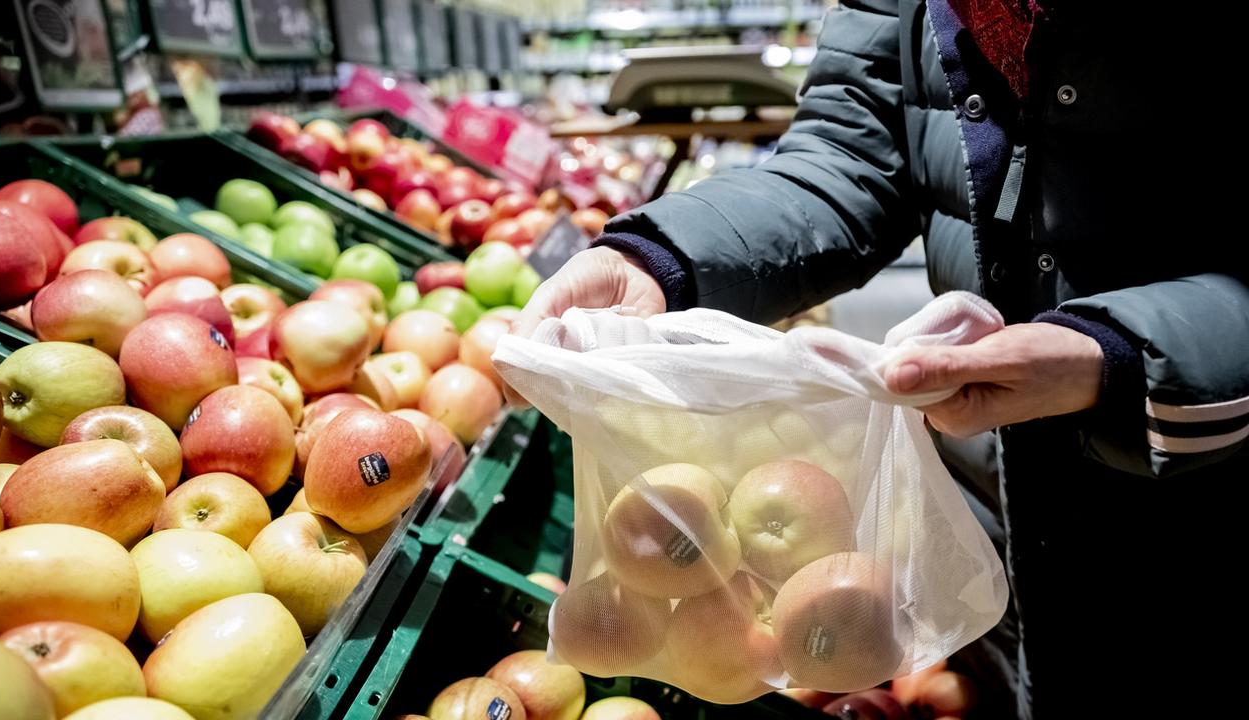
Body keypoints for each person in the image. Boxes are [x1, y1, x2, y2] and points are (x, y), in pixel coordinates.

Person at [514, 1, 1246, 717]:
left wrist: (1118, 358)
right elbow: (849, 156)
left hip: (1192, 518)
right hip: (997, 526)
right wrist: (663, 259)